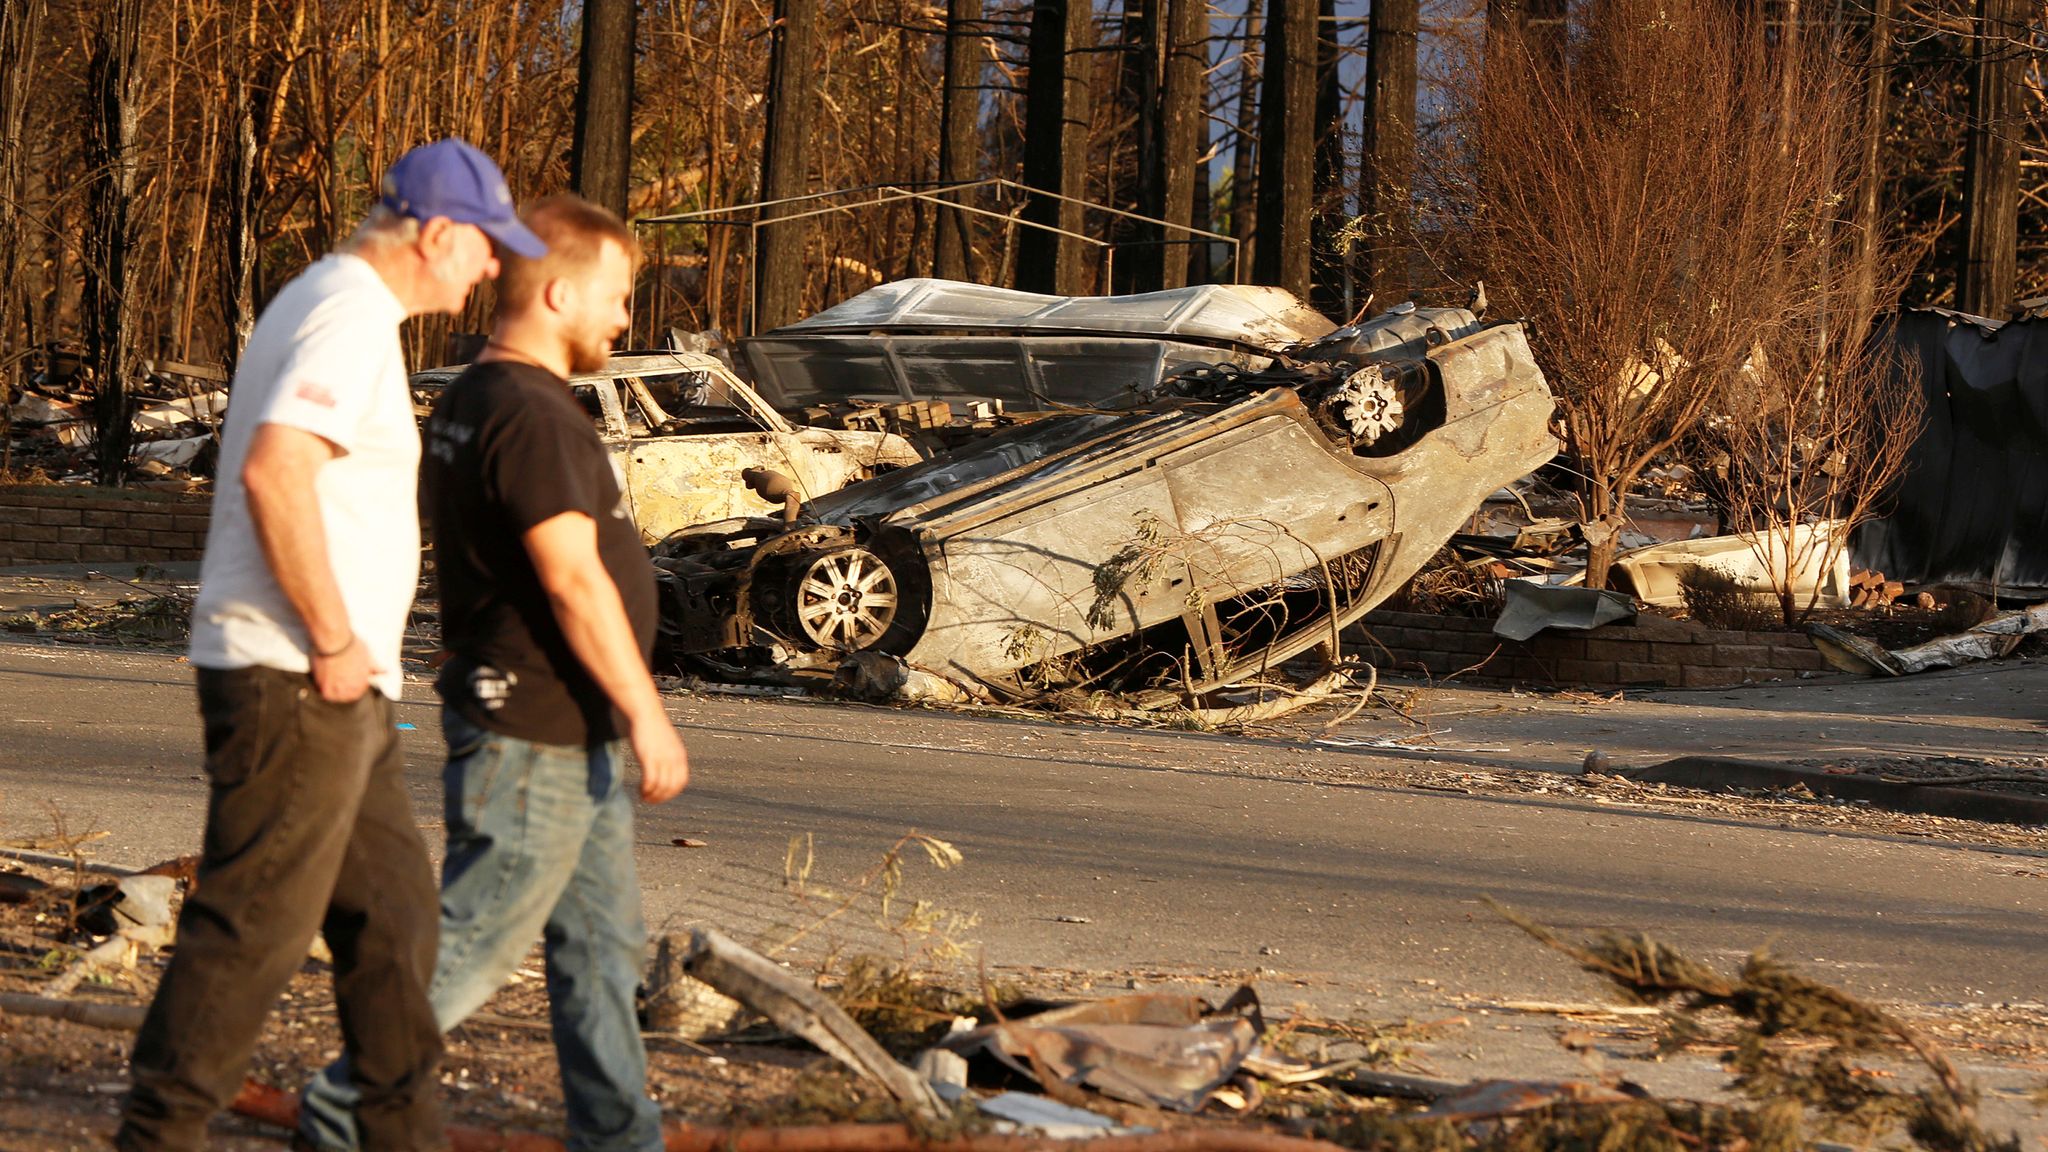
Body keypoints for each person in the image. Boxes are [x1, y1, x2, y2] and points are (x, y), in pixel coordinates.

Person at [118, 139, 545, 1152]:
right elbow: (275, 472)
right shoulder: (347, 316)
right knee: (253, 927)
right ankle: (155, 1135)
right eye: (485, 247)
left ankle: (396, 1133)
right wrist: (336, 636)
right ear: (438, 233)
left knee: (393, 924)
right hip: (296, 673)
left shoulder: (338, 307)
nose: (491, 269)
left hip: (336, 685)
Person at [297, 194, 690, 1152]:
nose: (624, 320)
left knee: (598, 949)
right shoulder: (529, 412)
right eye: (618, 297)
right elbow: (571, 579)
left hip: (562, 723)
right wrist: (648, 711)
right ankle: (344, 1111)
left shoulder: (476, 397)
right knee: (476, 941)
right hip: (538, 728)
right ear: (558, 292)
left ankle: (618, 1134)